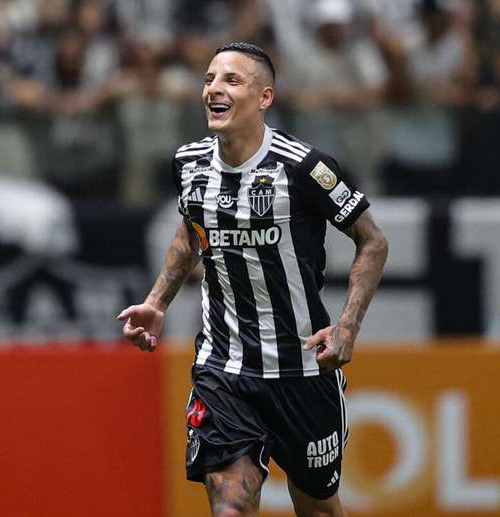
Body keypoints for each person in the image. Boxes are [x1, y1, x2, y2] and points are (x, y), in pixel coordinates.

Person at [118, 42, 388, 516]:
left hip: (303, 370)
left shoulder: (305, 167)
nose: (213, 90)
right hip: (224, 368)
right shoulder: (190, 163)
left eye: (230, 81)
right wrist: (157, 301)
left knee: (319, 508)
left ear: (264, 97)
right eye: (208, 79)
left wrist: (348, 325)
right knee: (231, 505)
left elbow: (373, 241)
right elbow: (190, 230)